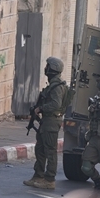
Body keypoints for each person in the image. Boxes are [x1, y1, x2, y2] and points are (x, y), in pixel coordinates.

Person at [24, 57, 68, 190]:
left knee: (50, 151)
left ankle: (49, 179)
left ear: (52, 69)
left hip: (52, 121)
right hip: (46, 121)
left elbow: (56, 104)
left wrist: (41, 108)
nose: (46, 68)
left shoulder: (57, 86)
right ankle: (38, 175)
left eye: (48, 66)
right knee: (40, 149)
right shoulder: (53, 85)